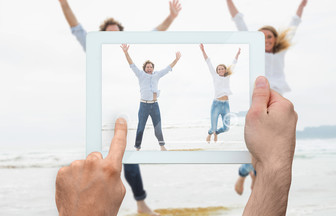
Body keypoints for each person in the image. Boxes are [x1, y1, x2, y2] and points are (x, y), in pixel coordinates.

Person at [55, 76, 298, 216]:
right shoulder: (118, 79)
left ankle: (141, 200)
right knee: (128, 158)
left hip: (146, 110)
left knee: (134, 154)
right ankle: (141, 201)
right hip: (131, 113)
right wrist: (274, 166)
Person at [51, 0, 181, 215]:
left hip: (126, 108)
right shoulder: (94, 47)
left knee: (127, 156)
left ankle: (141, 204)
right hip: (101, 108)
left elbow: (155, 33)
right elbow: (77, 28)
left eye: (116, 33)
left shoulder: (129, 50)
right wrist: (63, 1)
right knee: (102, 158)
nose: (112, 36)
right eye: (107, 34)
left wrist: (171, 17)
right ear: (101, 36)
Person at [220, 0, 308, 195]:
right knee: (259, 146)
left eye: (270, 36)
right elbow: (239, 23)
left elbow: (294, 25)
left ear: (275, 40)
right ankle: (247, 176)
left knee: (269, 148)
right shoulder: (255, 52)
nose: (266, 39)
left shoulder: (280, 53)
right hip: (260, 100)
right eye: (262, 36)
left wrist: (302, 6)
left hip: (277, 99)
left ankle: (251, 177)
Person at [120, 44, 181, 150]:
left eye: (151, 67)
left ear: (153, 68)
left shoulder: (157, 75)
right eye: (147, 67)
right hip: (144, 105)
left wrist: (176, 59)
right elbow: (131, 64)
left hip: (155, 105)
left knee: (158, 128)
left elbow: (168, 68)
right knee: (140, 127)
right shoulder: (140, 74)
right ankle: (137, 147)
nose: (149, 68)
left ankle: (162, 146)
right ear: (144, 68)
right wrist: (126, 53)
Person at [199, 43, 240, 143]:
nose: (221, 70)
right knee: (212, 128)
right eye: (219, 69)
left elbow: (233, 64)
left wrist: (237, 54)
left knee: (226, 128)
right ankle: (210, 133)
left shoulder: (227, 77)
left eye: (222, 68)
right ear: (217, 71)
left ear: (225, 70)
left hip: (226, 105)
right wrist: (203, 51)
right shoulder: (215, 76)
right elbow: (208, 62)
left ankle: (216, 133)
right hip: (216, 104)